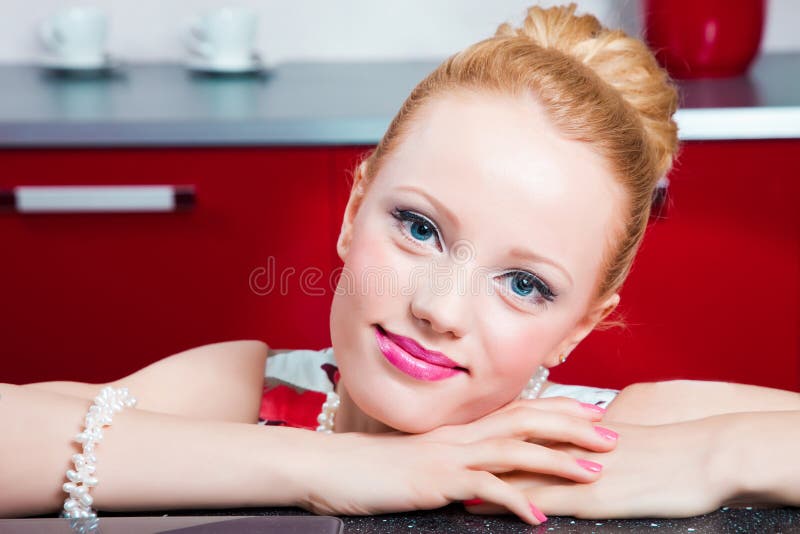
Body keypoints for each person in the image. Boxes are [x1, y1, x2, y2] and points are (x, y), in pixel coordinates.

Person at [1, 3, 798, 526]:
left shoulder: (590, 435)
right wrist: (335, 466)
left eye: (525, 285)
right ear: (354, 213)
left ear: (578, 326)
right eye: (419, 228)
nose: (440, 310)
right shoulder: (257, 389)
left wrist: (717, 454)